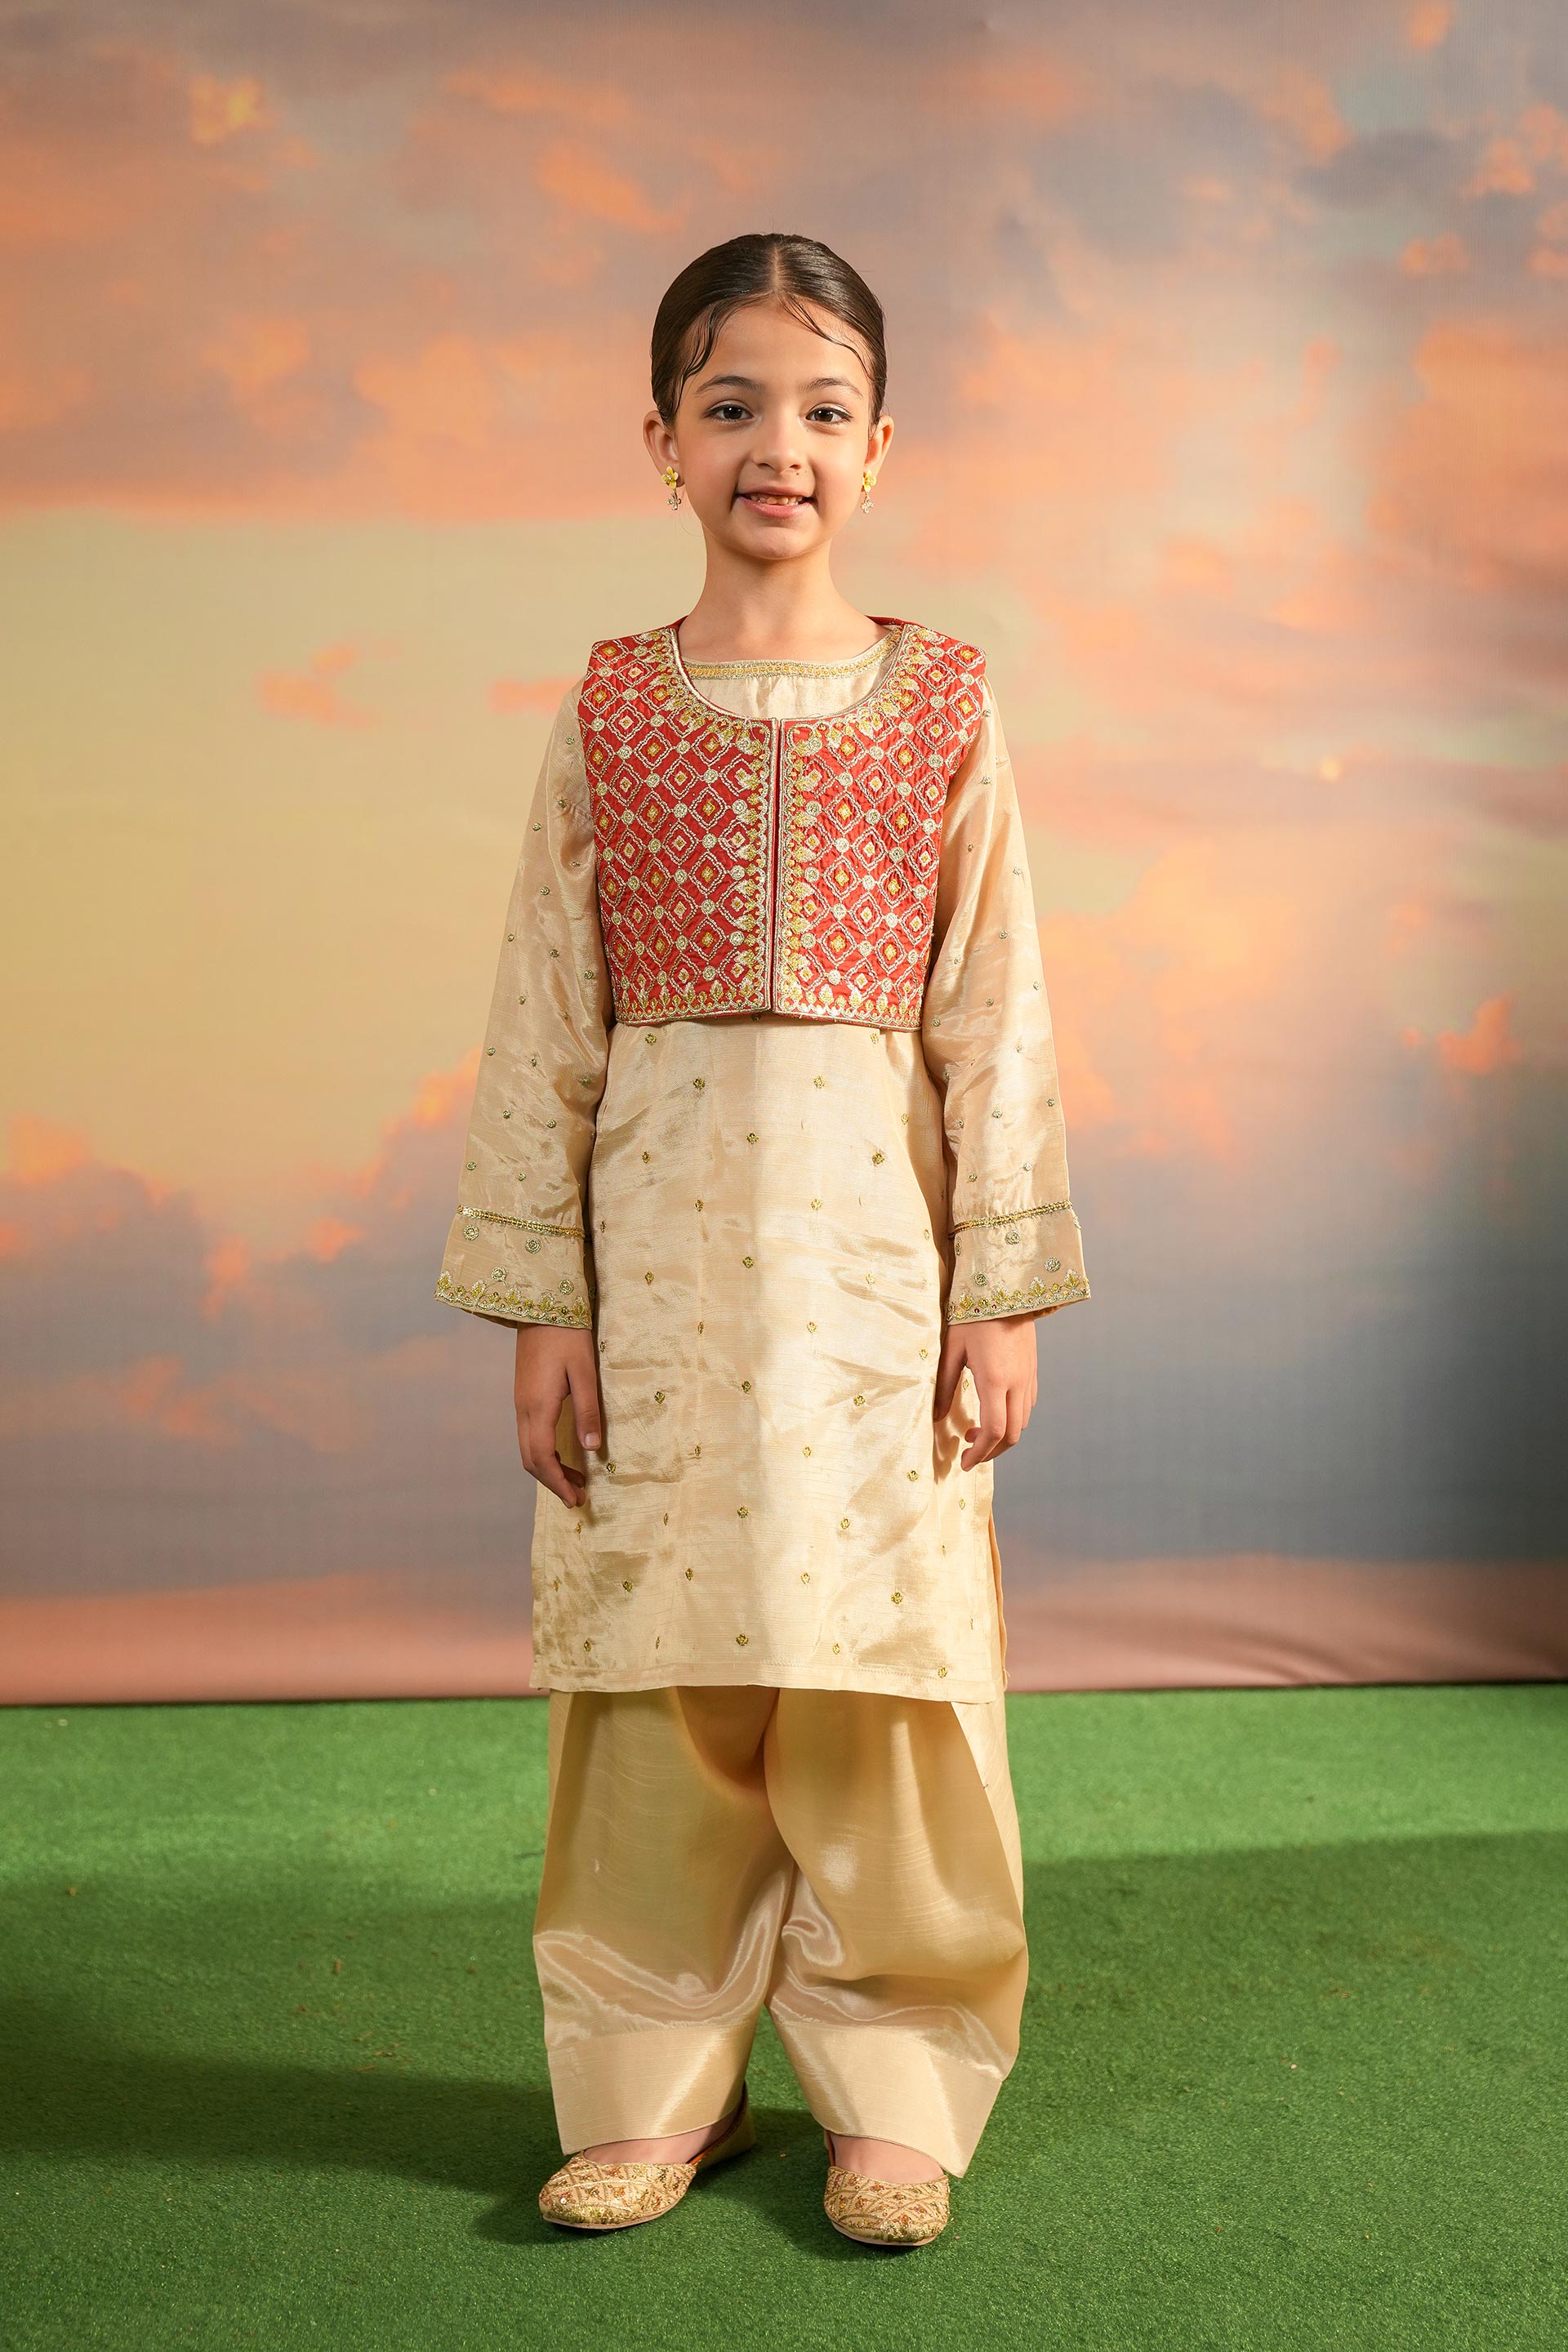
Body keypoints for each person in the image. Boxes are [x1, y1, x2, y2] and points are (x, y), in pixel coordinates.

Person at [434, 231, 1090, 2248]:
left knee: (880, 1677)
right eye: (732, 406)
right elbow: (544, 1013)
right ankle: (658, 2084)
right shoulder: (612, 707)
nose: (777, 448)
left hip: (877, 1284)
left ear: (881, 447)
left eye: (822, 409)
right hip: (656, 1273)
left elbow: (996, 1011)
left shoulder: (945, 697)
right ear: (662, 439)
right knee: (657, 1688)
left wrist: (1000, 1291)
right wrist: (543, 1306)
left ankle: (899, 2083)